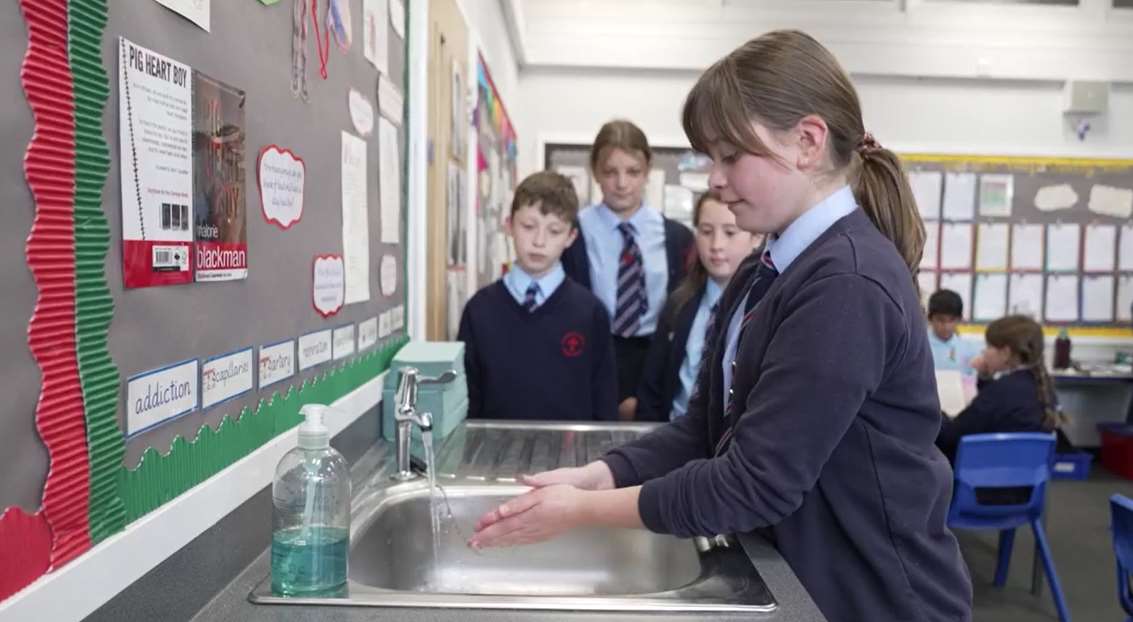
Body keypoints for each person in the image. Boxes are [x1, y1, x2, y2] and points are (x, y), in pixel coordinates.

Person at [469, 30, 972, 622]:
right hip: (800, 577)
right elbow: (705, 431)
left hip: (874, 595)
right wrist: (598, 475)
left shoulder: (846, 285)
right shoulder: (764, 267)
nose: (713, 178)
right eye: (710, 158)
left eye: (731, 156)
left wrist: (579, 512)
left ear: (807, 142)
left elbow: (752, 483)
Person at [458, 171, 617, 421]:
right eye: (529, 227)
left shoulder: (590, 313)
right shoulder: (479, 310)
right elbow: (466, 403)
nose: (539, 241)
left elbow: (604, 406)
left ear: (571, 237)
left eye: (554, 231)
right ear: (509, 225)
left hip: (572, 457)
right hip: (491, 456)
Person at [562, 120, 694, 419]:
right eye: (610, 172)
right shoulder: (573, 235)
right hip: (592, 355)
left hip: (655, 357)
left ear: (647, 171)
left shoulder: (677, 238)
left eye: (633, 172)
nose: (622, 184)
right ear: (595, 172)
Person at [635, 194, 761, 421]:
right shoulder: (678, 304)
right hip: (672, 437)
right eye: (706, 231)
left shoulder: (762, 309)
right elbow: (651, 389)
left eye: (730, 233)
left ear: (756, 237)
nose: (716, 245)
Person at [936, 315, 1064, 462]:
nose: (984, 352)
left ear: (1005, 353)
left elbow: (951, 435)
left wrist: (933, 413)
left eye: (989, 346)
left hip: (981, 477)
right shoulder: (1043, 387)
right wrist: (985, 377)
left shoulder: (1001, 390)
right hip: (1023, 479)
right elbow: (994, 411)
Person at [927, 289, 982, 376]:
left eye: (952, 320)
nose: (946, 326)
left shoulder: (970, 349)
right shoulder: (919, 348)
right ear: (930, 318)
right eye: (940, 320)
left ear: (959, 319)